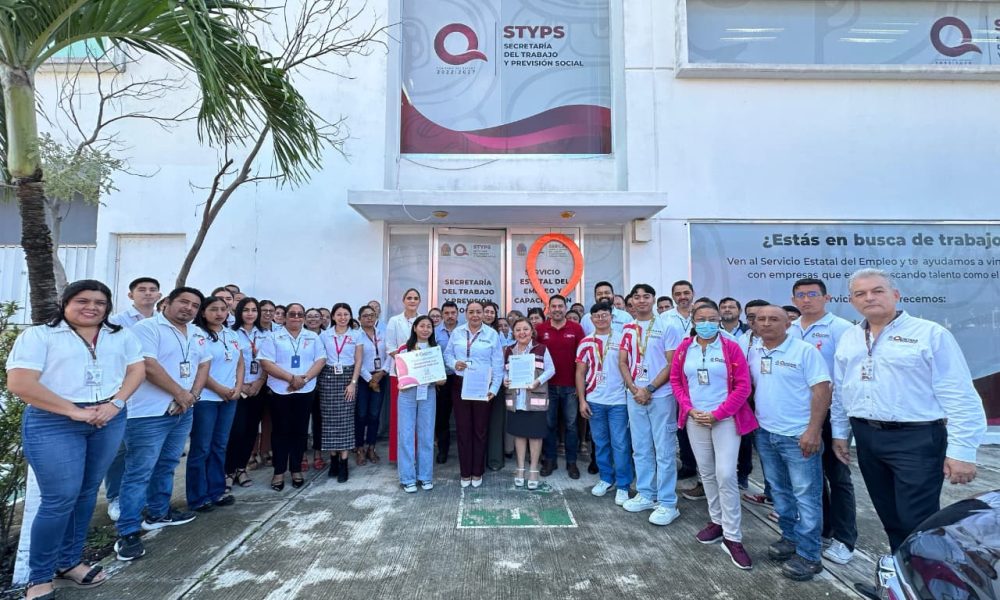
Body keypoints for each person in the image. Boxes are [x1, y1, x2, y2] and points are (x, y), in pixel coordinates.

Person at [831, 269, 986, 575]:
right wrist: (839, 433)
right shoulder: (849, 337)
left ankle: (929, 581)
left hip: (916, 439)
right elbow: (841, 389)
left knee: (916, 518)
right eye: (860, 294)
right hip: (866, 436)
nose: (869, 298)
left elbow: (959, 394)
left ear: (895, 295)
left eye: (877, 290)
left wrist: (962, 452)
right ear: (852, 301)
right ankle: (903, 580)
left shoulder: (930, 334)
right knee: (888, 514)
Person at [7, 280, 144, 599]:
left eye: (100, 302)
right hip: (54, 420)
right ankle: (39, 577)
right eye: (83, 301)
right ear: (65, 303)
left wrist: (116, 404)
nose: (92, 307)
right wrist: (74, 412)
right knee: (59, 498)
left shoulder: (120, 335)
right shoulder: (40, 335)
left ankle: (69, 562)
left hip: (108, 417)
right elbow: (21, 383)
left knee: (86, 493)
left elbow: (136, 370)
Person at [114, 287, 211, 561]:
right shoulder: (146, 328)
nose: (189, 308)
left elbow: (203, 365)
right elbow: (148, 365)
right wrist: (180, 393)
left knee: (168, 464)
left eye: (194, 305)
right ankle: (128, 531)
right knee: (139, 471)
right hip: (148, 414)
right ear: (167, 302)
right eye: (184, 302)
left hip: (183, 410)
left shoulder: (197, 333)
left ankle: (158, 513)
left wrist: (191, 396)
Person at [670, 302, 756, 570]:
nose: (706, 323)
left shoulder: (730, 346)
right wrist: (689, 408)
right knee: (706, 473)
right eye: (701, 319)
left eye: (711, 319)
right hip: (696, 418)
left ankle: (733, 537)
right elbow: (676, 381)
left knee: (726, 474)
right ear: (693, 321)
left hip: (725, 419)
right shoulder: (686, 347)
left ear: (719, 320)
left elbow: (743, 386)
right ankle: (717, 521)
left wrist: (719, 413)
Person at [749, 304, 831, 582]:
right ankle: (790, 538)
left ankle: (810, 555)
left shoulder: (805, 351)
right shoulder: (755, 350)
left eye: (774, 319)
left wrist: (813, 430)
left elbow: (822, 391)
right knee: (780, 492)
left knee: (806, 497)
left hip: (798, 435)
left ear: (788, 324)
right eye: (761, 319)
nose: (766, 323)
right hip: (765, 433)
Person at [789, 277, 857, 565]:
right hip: (797, 413)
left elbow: (848, 375)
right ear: (793, 300)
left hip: (832, 413)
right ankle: (822, 528)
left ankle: (845, 538)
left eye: (813, 294)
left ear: (826, 298)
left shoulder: (842, 329)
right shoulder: (789, 329)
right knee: (809, 477)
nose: (806, 300)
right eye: (801, 295)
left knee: (837, 475)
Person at [618, 284, 681, 527]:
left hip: (661, 395)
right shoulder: (628, 328)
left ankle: (667, 502)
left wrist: (650, 389)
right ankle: (646, 493)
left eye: (646, 296)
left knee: (664, 450)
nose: (642, 300)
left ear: (653, 299)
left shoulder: (667, 325)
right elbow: (622, 362)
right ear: (632, 301)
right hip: (635, 395)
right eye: (637, 297)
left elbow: (672, 363)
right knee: (641, 447)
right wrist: (635, 389)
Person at [104, 276, 160, 521]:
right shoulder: (117, 322)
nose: (148, 293)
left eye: (152, 290)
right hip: (124, 392)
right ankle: (115, 496)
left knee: (147, 450)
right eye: (142, 289)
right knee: (120, 449)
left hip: (154, 394)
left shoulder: (161, 321)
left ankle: (142, 496)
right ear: (130, 295)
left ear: (159, 295)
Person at [258, 303, 326, 491]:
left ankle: (296, 469)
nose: (296, 317)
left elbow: (320, 360)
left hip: (305, 389)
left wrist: (304, 379)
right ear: (285, 317)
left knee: (300, 431)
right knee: (280, 432)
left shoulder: (312, 337)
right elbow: (266, 363)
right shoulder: (273, 337)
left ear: (303, 317)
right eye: (292, 314)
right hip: (280, 390)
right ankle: (279, 471)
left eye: (299, 314)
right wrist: (291, 379)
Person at [187, 296, 244, 512]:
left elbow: (240, 363)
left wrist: (238, 387)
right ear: (203, 312)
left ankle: (217, 491)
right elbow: (199, 367)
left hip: (229, 398)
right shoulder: (197, 334)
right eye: (213, 309)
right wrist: (219, 388)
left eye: (223, 309)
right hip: (206, 398)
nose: (219, 313)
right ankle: (198, 496)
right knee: (201, 447)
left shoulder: (231, 334)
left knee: (219, 445)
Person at [576, 302, 632, 506]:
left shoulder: (623, 338)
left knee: (621, 444)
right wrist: (582, 400)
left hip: (619, 401)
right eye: (597, 316)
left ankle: (623, 485)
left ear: (611, 317)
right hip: (595, 400)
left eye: (604, 315)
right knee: (600, 442)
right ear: (591, 319)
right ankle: (606, 478)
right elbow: (580, 373)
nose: (601, 319)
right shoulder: (586, 342)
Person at [443, 301, 503, 487]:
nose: (475, 315)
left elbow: (498, 364)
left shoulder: (492, 334)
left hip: (483, 386)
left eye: (478, 312)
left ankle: (477, 472)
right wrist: (454, 363)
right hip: (460, 385)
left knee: (480, 430)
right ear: (466, 314)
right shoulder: (457, 333)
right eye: (471, 312)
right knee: (463, 430)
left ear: (483, 314)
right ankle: (465, 472)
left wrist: (494, 389)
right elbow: (447, 355)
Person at [535, 295, 586, 478]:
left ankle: (571, 462)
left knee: (571, 426)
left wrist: (581, 386)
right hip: (547, 386)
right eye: (554, 306)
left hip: (571, 386)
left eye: (560, 306)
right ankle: (550, 460)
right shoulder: (540, 329)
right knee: (549, 424)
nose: (557, 309)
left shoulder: (576, 329)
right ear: (548, 309)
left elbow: (583, 357)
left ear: (565, 308)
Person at [658, 280, 700, 490]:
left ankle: (702, 469)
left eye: (686, 292)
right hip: (672, 377)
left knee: (699, 421)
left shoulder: (702, 315)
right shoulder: (664, 318)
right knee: (679, 423)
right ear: (673, 296)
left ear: (692, 293)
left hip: (698, 377)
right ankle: (688, 463)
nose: (682, 297)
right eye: (678, 294)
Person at [504, 318, 555, 490]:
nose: (522, 333)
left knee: (535, 435)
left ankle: (533, 469)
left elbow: (551, 370)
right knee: (519, 434)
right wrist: (505, 380)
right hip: (516, 399)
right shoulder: (509, 350)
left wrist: (537, 381)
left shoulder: (541, 348)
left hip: (534, 398)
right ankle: (520, 468)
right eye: (518, 330)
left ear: (532, 331)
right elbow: (504, 370)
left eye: (525, 329)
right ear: (513, 333)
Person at [395, 316, 445, 492]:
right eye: (422, 326)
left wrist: (435, 378)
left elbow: (442, 380)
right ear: (414, 328)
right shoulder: (404, 349)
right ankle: (407, 478)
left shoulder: (435, 350)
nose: (425, 329)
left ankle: (425, 476)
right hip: (407, 394)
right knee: (406, 434)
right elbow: (398, 373)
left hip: (428, 393)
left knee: (426, 435)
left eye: (429, 326)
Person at [225, 297, 268, 489]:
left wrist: (259, 382)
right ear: (239, 312)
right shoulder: (230, 333)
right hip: (237, 388)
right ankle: (229, 470)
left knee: (251, 430)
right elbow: (228, 363)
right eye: (246, 310)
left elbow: (269, 361)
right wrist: (241, 385)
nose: (250, 314)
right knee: (237, 430)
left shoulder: (266, 334)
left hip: (258, 387)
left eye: (254, 310)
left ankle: (242, 469)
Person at [318, 303, 363, 482]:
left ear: (350, 316)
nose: (343, 317)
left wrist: (353, 383)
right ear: (333, 317)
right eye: (339, 314)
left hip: (348, 377)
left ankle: (344, 462)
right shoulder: (324, 335)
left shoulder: (356, 335)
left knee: (346, 421)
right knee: (329, 420)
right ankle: (333, 460)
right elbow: (320, 359)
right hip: (328, 377)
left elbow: (358, 360)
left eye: (346, 314)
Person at [386, 289, 422, 463]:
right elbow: (390, 347)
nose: (412, 301)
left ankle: (416, 454)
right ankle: (398, 456)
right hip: (399, 374)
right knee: (399, 417)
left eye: (415, 298)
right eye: (409, 298)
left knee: (418, 417)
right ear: (403, 300)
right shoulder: (394, 321)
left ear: (419, 301)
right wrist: (406, 362)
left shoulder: (423, 320)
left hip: (420, 375)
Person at [355, 305, 387, 466]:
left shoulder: (382, 334)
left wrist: (382, 373)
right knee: (361, 415)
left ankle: (371, 447)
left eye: (372, 315)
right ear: (359, 318)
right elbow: (356, 360)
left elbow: (390, 355)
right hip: (362, 378)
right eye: (365, 315)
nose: (369, 318)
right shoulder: (355, 335)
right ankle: (360, 448)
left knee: (375, 414)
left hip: (380, 377)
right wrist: (370, 379)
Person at [434, 302, 460, 463]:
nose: (450, 316)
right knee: (442, 416)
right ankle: (443, 450)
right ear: (442, 314)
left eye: (453, 313)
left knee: (462, 415)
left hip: (460, 378)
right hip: (442, 380)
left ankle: (464, 450)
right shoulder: (435, 332)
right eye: (447, 313)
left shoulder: (464, 331)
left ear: (457, 314)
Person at [304, 307, 326, 471]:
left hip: (323, 384)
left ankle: (318, 454)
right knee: (302, 421)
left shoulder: (327, 336)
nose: (313, 319)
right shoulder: (300, 335)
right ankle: (302, 455)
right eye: (309, 316)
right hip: (303, 383)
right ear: (305, 319)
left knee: (319, 420)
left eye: (316, 316)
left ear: (322, 319)